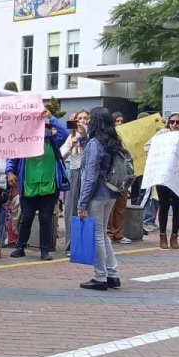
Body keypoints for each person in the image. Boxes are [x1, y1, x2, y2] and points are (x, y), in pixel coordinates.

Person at [6, 111, 69, 261]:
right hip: (28, 186)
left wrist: (51, 118)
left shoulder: (53, 141)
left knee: (46, 218)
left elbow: (65, 132)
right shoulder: (22, 141)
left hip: (50, 186)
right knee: (26, 217)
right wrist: (9, 172)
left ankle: (45, 250)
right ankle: (20, 247)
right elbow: (12, 158)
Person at [77, 107, 123, 290]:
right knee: (103, 234)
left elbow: (91, 174)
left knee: (97, 235)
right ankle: (112, 274)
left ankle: (100, 276)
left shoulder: (95, 143)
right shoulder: (112, 142)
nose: (87, 122)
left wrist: (82, 202)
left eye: (90, 119)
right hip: (111, 192)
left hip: (97, 194)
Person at [147, 113, 179, 250]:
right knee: (164, 205)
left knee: (178, 206)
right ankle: (163, 236)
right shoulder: (162, 134)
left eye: (178, 122)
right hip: (163, 175)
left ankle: (174, 236)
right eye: (172, 122)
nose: (174, 125)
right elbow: (147, 147)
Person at [60, 109, 89, 255]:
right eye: (80, 118)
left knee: (87, 210)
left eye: (85, 118)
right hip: (73, 172)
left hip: (88, 175)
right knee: (71, 210)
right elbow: (61, 156)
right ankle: (71, 246)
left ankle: (85, 244)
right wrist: (71, 146)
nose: (83, 121)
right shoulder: (70, 137)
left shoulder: (92, 137)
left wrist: (84, 138)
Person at [107, 112, 130, 244]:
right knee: (111, 205)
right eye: (117, 121)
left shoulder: (128, 136)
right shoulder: (109, 137)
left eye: (122, 121)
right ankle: (110, 232)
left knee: (121, 204)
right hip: (112, 174)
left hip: (125, 173)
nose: (120, 124)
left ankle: (118, 233)